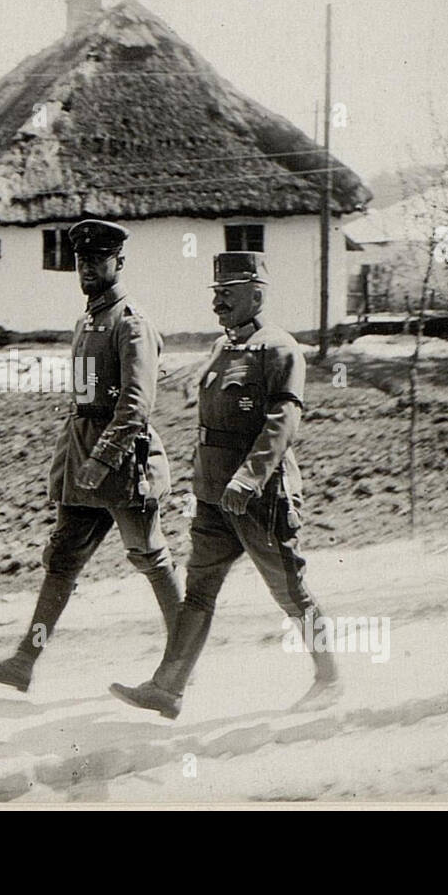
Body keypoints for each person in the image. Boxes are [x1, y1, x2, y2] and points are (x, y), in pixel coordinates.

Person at [110, 251, 341, 719]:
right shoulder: (222, 348)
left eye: (228, 295)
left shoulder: (277, 348)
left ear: (257, 295)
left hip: (259, 495)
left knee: (289, 589)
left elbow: (282, 421)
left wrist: (249, 478)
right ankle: (168, 688)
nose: (218, 305)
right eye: (216, 295)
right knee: (199, 592)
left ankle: (329, 676)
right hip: (213, 496)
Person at [0, 219, 182, 692]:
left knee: (150, 557)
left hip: (123, 463)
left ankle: (180, 664)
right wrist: (73, 462)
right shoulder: (88, 322)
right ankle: (24, 661)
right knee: (62, 559)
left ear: (119, 263)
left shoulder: (132, 325)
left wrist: (101, 458)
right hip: (83, 459)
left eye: (97, 259)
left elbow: (136, 405)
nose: (86, 268)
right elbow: (83, 402)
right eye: (81, 260)